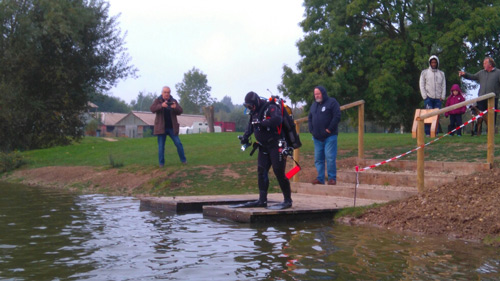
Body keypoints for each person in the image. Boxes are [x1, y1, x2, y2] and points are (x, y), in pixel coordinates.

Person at [233, 91, 293, 210]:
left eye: (250, 106)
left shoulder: (270, 107)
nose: (250, 108)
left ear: (255, 102)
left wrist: (263, 123)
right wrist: (245, 137)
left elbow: (278, 119)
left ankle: (287, 200)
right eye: (247, 106)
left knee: (279, 171)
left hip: (276, 144)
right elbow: (251, 126)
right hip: (263, 146)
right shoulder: (254, 112)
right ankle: (262, 200)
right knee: (261, 171)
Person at [308, 86, 341, 185]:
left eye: (318, 93)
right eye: (315, 94)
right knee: (318, 159)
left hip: (330, 137)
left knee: (330, 157)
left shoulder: (332, 102)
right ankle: (320, 178)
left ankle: (332, 178)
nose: (317, 96)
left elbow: (337, 116)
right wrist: (311, 129)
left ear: (323, 93)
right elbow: (310, 118)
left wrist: (329, 129)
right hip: (317, 138)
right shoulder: (313, 105)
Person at [150, 86, 187, 167]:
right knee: (161, 147)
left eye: (168, 92)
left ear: (170, 93)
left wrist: (175, 107)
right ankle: (161, 163)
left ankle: (183, 160)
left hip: (172, 128)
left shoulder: (173, 101)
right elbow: (152, 109)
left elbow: (180, 111)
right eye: (165, 92)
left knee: (178, 144)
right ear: (162, 93)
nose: (167, 94)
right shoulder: (158, 100)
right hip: (161, 128)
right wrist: (161, 106)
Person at [459, 56, 500, 125]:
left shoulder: (498, 72)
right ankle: (477, 131)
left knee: (492, 116)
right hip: (482, 98)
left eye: (485, 63)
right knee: (480, 115)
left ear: (490, 64)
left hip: (493, 98)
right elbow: (473, 76)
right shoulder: (481, 73)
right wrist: (464, 74)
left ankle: (491, 131)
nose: (483, 65)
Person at [419, 55, 446, 137]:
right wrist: (424, 96)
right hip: (428, 97)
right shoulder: (424, 73)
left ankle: (435, 132)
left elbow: (444, 85)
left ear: (437, 63)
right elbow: (421, 84)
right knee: (428, 116)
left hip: (438, 98)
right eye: (432, 62)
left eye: (435, 62)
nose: (433, 64)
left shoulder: (441, 73)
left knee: (436, 116)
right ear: (430, 63)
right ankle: (427, 133)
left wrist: (442, 96)